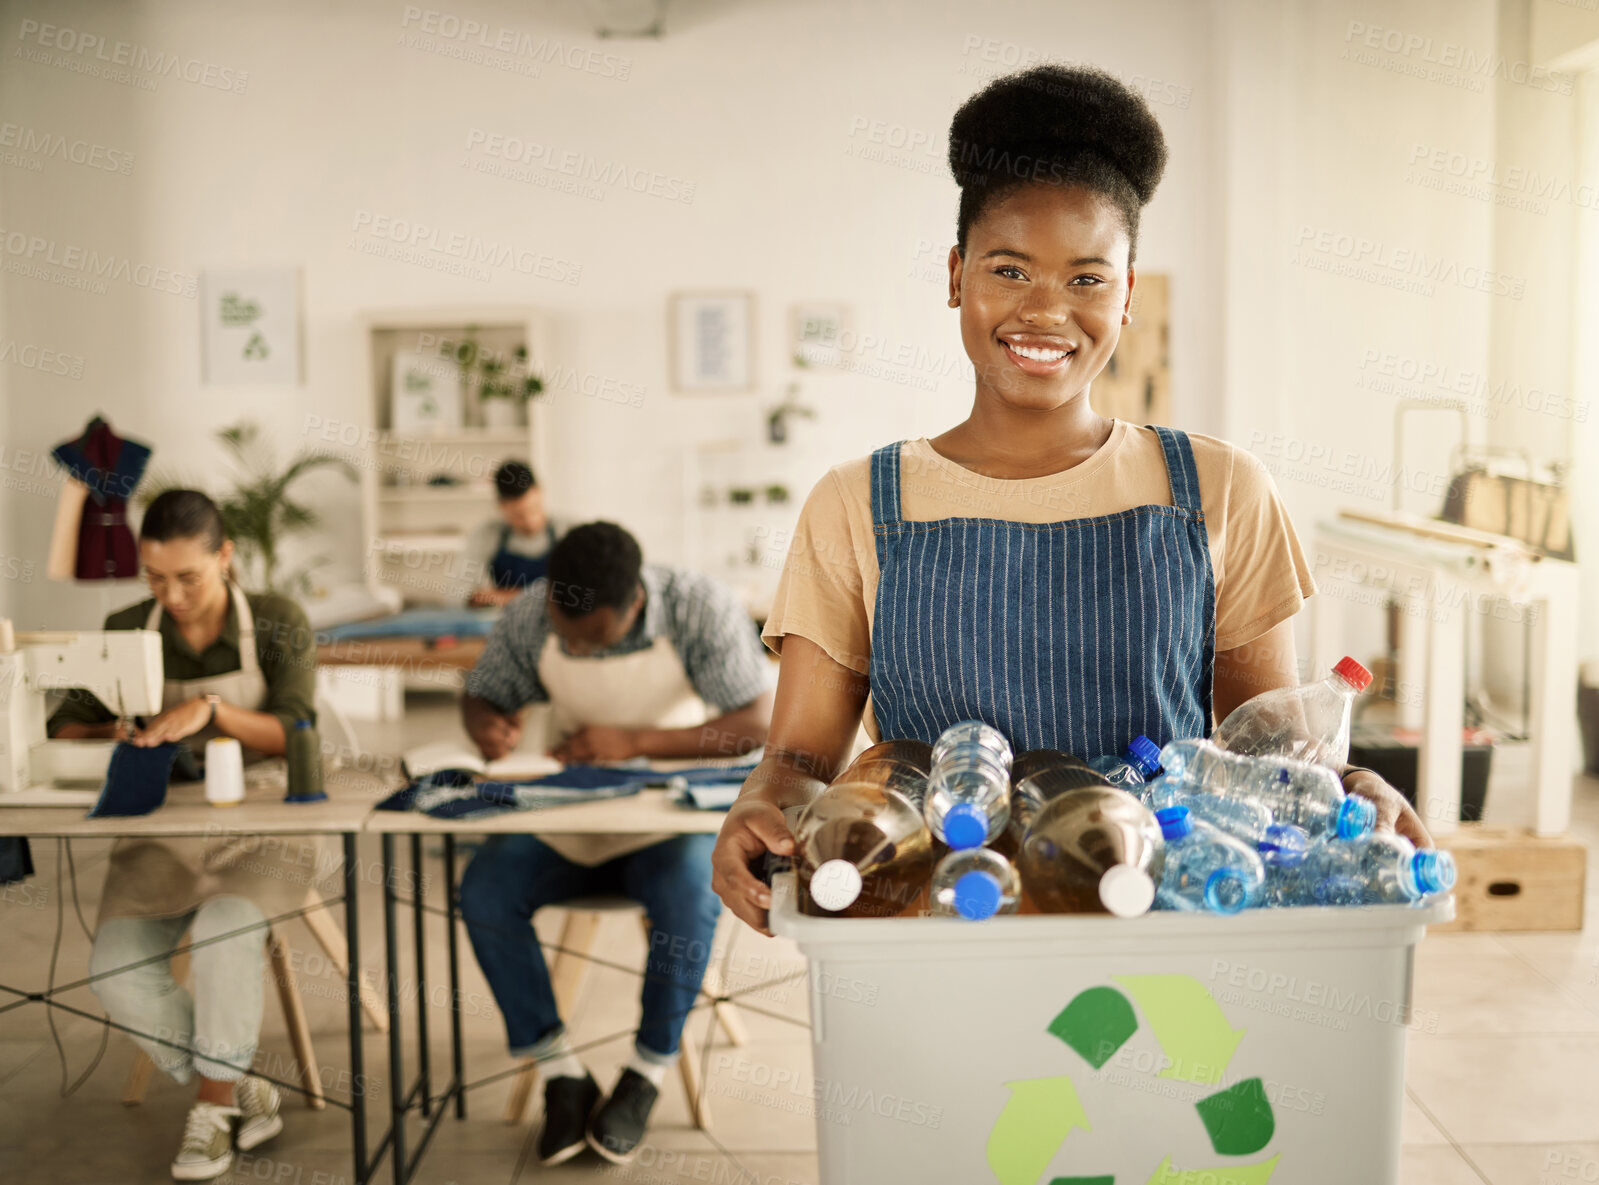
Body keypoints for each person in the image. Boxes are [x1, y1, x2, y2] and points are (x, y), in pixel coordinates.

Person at [711, 64, 1430, 937]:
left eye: (1087, 278)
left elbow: (1265, 757)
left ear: (1128, 293)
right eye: (1009, 269)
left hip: (1154, 916)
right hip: (929, 928)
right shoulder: (857, 501)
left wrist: (1352, 787)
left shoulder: (1217, 488)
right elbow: (797, 756)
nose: (1046, 310)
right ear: (955, 275)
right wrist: (763, 801)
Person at [456, 521, 773, 1166]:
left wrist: (633, 741)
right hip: (570, 815)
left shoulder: (698, 608)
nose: (573, 645)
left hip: (665, 819)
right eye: (563, 632)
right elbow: (482, 692)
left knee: (690, 892)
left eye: (590, 636)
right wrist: (486, 723)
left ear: (632, 605)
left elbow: (753, 725)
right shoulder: (530, 615)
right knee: (485, 888)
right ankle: (559, 1072)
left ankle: (646, 1071)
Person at [49, 490, 322, 1181]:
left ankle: (209, 1109)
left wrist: (210, 710)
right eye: (154, 576)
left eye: (188, 577)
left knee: (228, 929)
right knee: (114, 968)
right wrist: (110, 728)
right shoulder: (124, 627)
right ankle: (242, 1087)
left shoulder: (278, 620)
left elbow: (296, 734)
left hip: (263, 822)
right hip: (161, 831)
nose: (169, 594)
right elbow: (63, 723)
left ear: (225, 558)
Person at [464, 459, 566, 606]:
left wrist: (505, 596)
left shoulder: (567, 531)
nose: (530, 521)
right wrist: (547, 596)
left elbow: (580, 595)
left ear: (540, 491)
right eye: (519, 516)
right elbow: (467, 595)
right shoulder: (486, 535)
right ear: (500, 506)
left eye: (534, 509)